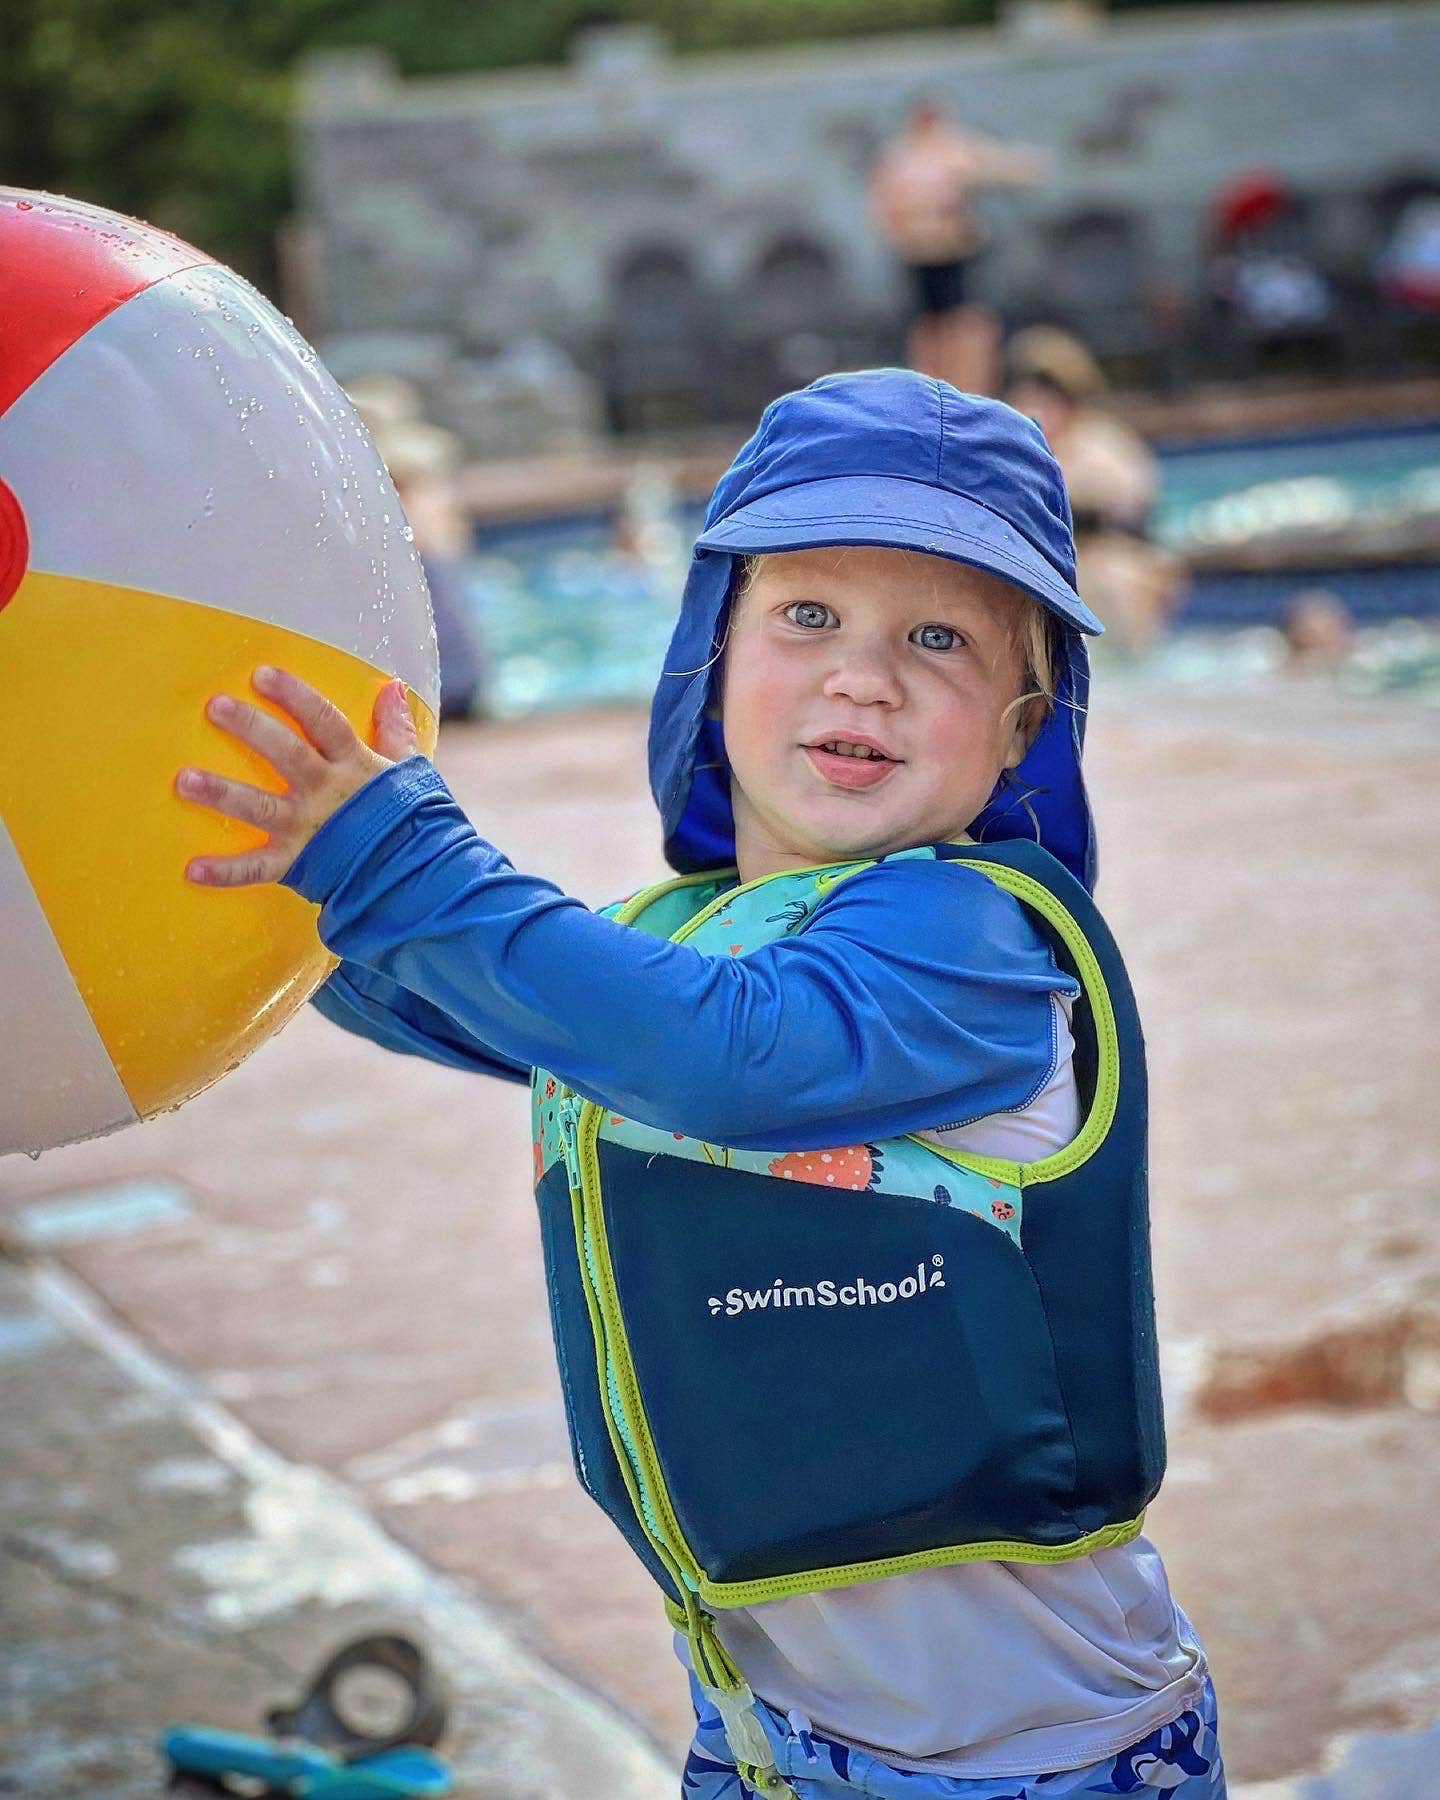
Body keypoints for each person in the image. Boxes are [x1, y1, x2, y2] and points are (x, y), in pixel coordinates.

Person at [174, 370, 1223, 1798]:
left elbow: (729, 1052)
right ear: (709, 659)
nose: (867, 673)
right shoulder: (678, 945)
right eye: (808, 617)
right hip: (757, 1735)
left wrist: (402, 865)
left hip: (1030, 1754)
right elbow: (468, 999)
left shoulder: (977, 939)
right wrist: (284, 900)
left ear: (1021, 727)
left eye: (938, 637)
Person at [1004, 327, 1185, 654]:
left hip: (1111, 559)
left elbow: (1133, 512)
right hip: (1045, 567)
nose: (1034, 407)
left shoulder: (1102, 445)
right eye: (1026, 395)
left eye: (1044, 397)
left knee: (1113, 580)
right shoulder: (1009, 448)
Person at [869, 101, 1048, 396]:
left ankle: (970, 391)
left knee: (967, 326)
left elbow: (1014, 168)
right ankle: (932, 393)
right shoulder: (900, 157)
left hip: (956, 254)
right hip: (921, 256)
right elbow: (885, 207)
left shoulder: (953, 149)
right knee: (931, 330)